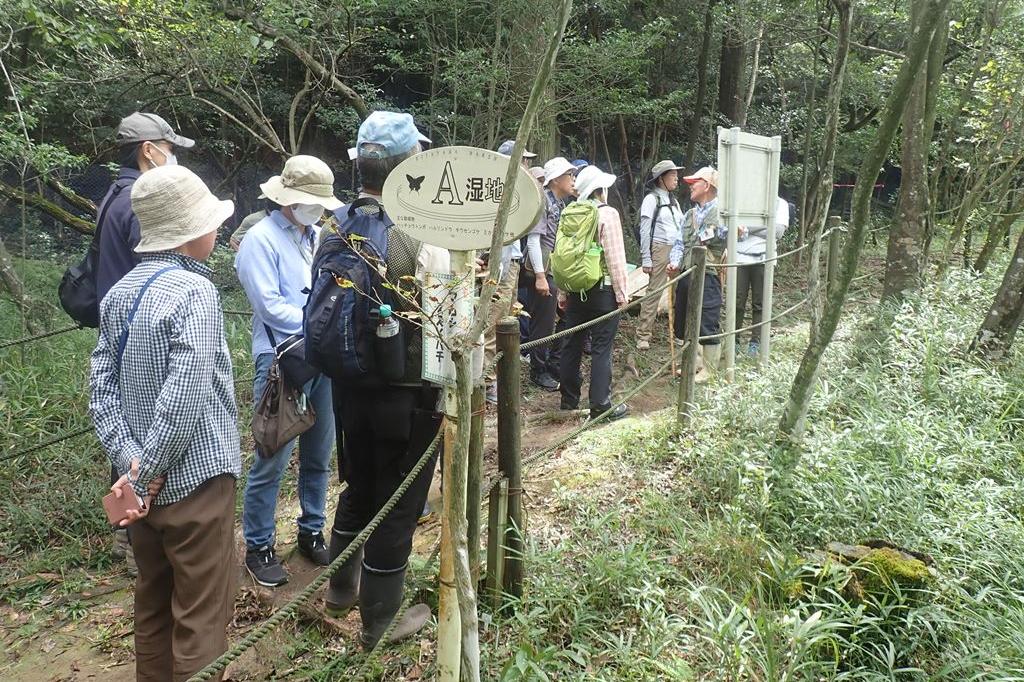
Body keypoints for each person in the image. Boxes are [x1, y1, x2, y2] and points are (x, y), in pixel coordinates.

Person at [89, 165, 240, 682]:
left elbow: (101, 389)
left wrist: (130, 463)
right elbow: (186, 394)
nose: (217, 230)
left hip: (136, 493)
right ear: (191, 232)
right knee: (200, 613)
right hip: (194, 481)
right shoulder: (194, 295)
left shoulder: (117, 295)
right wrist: (150, 468)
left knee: (152, 600)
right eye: (211, 221)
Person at [324, 111, 442, 650]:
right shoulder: (415, 232)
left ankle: (340, 590)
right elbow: (444, 317)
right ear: (405, 165)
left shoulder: (337, 223)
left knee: (361, 485)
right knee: (399, 503)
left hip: (348, 386)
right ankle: (380, 624)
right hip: (405, 393)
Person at [234, 156, 341, 586]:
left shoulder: (317, 236)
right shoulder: (259, 240)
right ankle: (258, 544)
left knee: (319, 452)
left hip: (323, 356)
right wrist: (320, 319)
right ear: (288, 199)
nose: (316, 209)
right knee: (271, 456)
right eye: (310, 201)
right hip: (281, 360)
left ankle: (312, 529)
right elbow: (269, 306)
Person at [99, 111, 196, 575]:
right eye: (168, 147)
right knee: (152, 432)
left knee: (125, 430)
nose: (171, 155)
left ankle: (130, 538)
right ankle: (146, 542)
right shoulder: (140, 202)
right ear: (149, 150)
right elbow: (156, 267)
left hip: (118, 331)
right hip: (148, 335)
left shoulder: (110, 196)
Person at [558, 165, 630, 420]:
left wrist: (563, 292)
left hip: (576, 289)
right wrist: (622, 294)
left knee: (572, 344)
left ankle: (568, 400)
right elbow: (615, 257)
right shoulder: (607, 214)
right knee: (601, 347)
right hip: (602, 290)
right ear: (601, 190)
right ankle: (600, 404)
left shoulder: (569, 212)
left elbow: (563, 256)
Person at [483, 139, 538, 404]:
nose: (527, 165)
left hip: (511, 265)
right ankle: (488, 382)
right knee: (494, 322)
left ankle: (500, 377)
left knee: (508, 319)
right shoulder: (498, 191)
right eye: (523, 160)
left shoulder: (514, 191)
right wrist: (498, 273)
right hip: (501, 268)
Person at [669, 166, 727, 383]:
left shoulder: (723, 212)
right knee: (684, 317)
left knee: (707, 318)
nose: (691, 186)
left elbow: (736, 233)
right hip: (686, 272)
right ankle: (693, 363)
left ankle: (709, 369)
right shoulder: (689, 215)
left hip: (709, 272)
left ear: (708, 186)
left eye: (696, 182)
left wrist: (734, 230)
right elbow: (678, 243)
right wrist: (674, 262)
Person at [524, 157, 576, 391]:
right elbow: (534, 240)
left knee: (565, 314)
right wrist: (540, 276)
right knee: (542, 322)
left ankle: (554, 363)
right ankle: (538, 370)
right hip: (541, 269)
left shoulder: (560, 203)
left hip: (553, 268)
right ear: (555, 179)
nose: (573, 180)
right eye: (569, 175)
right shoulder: (543, 201)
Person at [636, 160, 685, 350]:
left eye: (676, 174)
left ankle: (678, 333)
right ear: (661, 179)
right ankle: (643, 335)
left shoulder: (674, 201)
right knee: (655, 290)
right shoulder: (651, 200)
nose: (676, 178)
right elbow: (645, 230)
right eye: (672, 175)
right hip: (660, 248)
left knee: (679, 290)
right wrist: (646, 258)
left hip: (677, 250)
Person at [735, 196, 790, 355]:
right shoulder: (745, 199)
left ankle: (756, 342)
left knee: (760, 303)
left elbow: (778, 232)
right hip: (740, 257)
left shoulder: (781, 203)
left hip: (765, 258)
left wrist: (747, 229)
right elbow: (734, 226)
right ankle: (734, 341)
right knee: (737, 301)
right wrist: (765, 225)